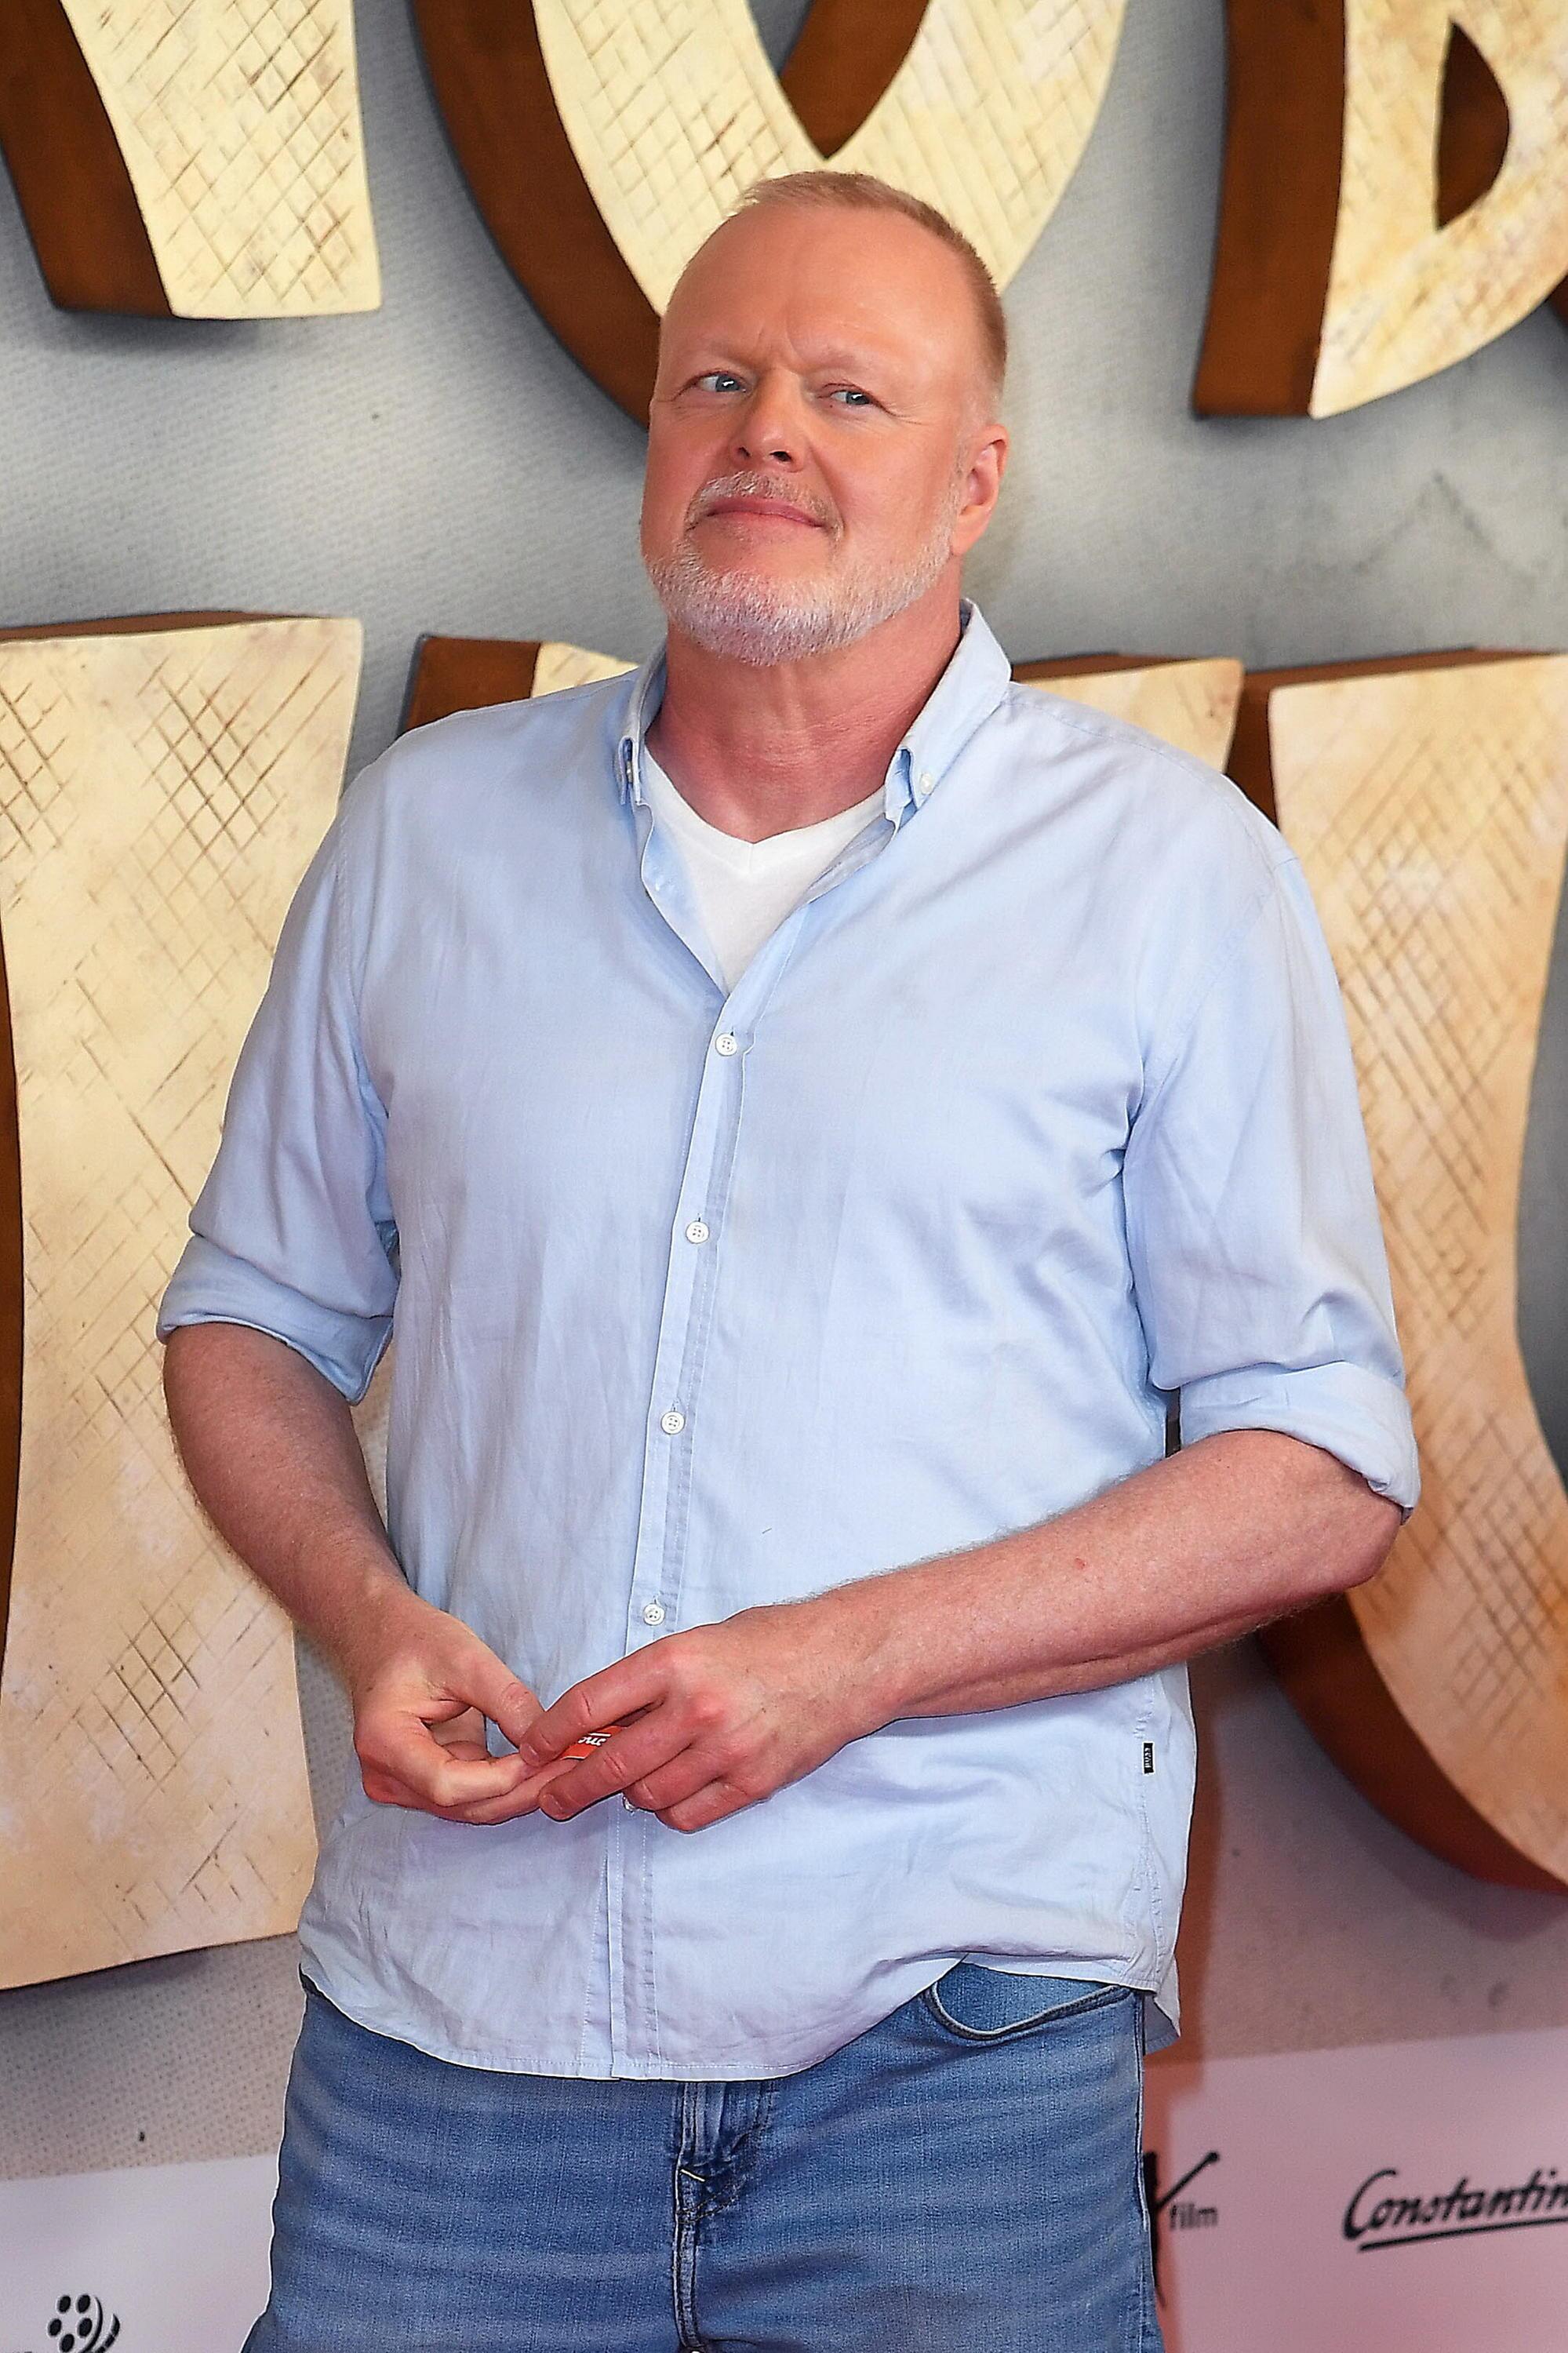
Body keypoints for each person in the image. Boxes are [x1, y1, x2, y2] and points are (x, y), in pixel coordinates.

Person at [158, 171, 1417, 2353]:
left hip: (949, 2051)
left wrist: (853, 1662)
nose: (767, 436)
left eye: (850, 392)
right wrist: (364, 1617)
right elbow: (250, 1323)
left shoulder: (1169, 879)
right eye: (716, 383)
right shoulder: (424, 834)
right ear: (655, 437)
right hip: (451, 2044)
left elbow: (1317, 1465)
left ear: (976, 478)